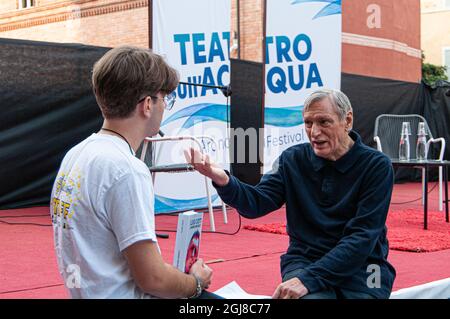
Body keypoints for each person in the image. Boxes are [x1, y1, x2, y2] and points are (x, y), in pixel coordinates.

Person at [186, 89, 396, 299]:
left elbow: (361, 238)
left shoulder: (377, 166)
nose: (314, 132)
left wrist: (308, 279)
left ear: (347, 120)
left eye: (324, 122)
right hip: (305, 261)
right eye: (308, 123)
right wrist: (222, 179)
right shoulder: (292, 159)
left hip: (367, 268)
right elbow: (256, 203)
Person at [50, 46, 213, 299]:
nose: (164, 107)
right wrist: (195, 283)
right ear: (147, 104)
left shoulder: (76, 154)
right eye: (165, 99)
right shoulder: (126, 169)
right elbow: (153, 279)